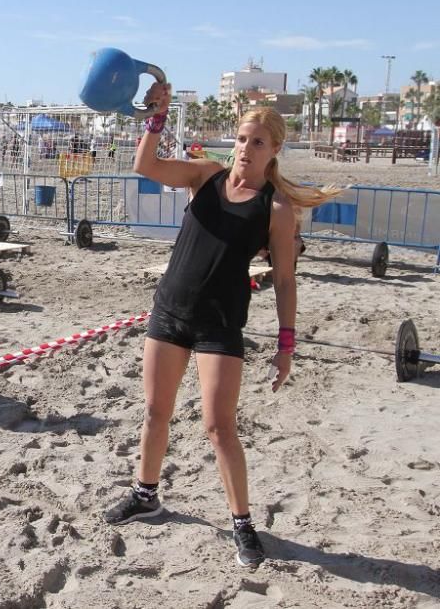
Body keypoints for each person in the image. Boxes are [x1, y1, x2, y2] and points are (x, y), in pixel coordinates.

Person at [102, 84, 342, 569]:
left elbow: (286, 281)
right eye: (240, 139)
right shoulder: (206, 177)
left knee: (218, 426)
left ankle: (243, 524)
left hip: (221, 324)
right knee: (155, 412)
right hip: (170, 312)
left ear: (275, 150)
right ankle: (146, 495)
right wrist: (156, 118)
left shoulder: (276, 209)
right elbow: (144, 167)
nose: (245, 150)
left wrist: (286, 343)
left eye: (257, 143)